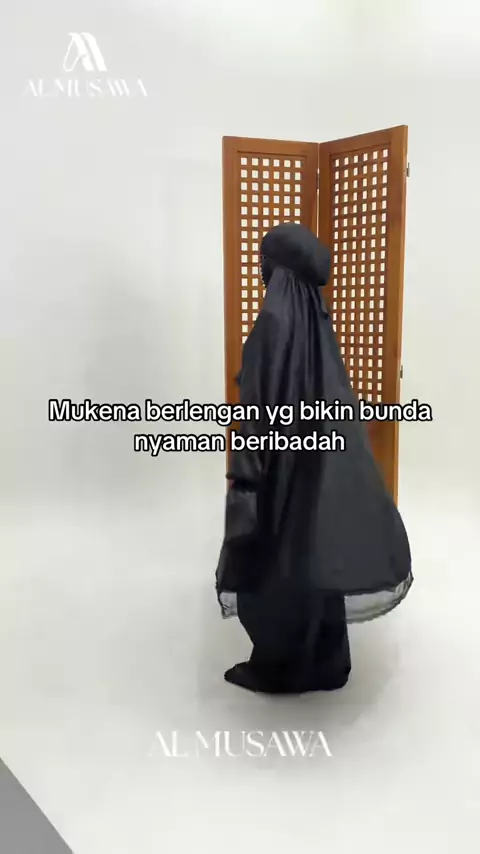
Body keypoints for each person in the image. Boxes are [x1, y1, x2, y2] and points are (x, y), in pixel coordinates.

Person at [216, 222, 412, 694]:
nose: (260, 270)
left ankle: (283, 666)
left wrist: (248, 476)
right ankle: (327, 658)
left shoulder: (273, 323)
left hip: (283, 465)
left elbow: (260, 410)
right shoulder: (316, 323)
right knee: (313, 557)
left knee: (276, 561)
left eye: (265, 261)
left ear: (280, 270)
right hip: (320, 465)